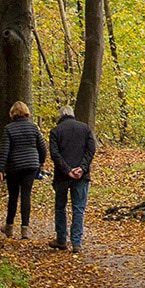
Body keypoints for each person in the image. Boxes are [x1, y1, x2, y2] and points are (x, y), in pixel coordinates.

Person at [0, 101, 46, 239]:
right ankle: (25, 229)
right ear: (26, 112)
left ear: (12, 113)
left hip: (14, 166)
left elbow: (4, 150)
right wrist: (41, 162)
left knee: (13, 196)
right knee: (26, 195)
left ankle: (9, 226)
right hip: (30, 165)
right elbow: (42, 147)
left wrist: (0, 169)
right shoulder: (34, 128)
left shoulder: (9, 129)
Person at [48, 104, 98, 253]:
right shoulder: (85, 129)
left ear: (60, 116)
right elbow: (91, 150)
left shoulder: (56, 131)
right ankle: (76, 242)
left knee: (60, 207)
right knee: (78, 209)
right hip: (81, 176)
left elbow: (54, 154)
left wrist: (67, 170)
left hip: (62, 177)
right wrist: (82, 168)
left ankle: (61, 239)